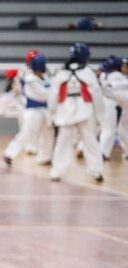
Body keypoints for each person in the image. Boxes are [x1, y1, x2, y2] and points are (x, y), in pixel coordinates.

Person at [48, 42, 105, 182]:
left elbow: (52, 95)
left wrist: (52, 113)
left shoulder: (61, 72)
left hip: (64, 112)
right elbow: (97, 94)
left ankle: (57, 172)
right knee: (90, 142)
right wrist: (100, 115)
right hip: (85, 111)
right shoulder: (88, 72)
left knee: (62, 143)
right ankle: (96, 171)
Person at [2, 54, 53, 167]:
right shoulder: (30, 79)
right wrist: (53, 91)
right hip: (33, 111)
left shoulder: (45, 78)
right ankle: (9, 154)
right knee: (26, 133)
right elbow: (45, 94)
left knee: (47, 134)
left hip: (45, 110)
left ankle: (45, 157)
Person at [98, 55, 127, 160]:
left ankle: (103, 152)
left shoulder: (105, 75)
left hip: (109, 102)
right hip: (112, 103)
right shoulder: (115, 75)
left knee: (111, 129)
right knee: (114, 129)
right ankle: (103, 153)